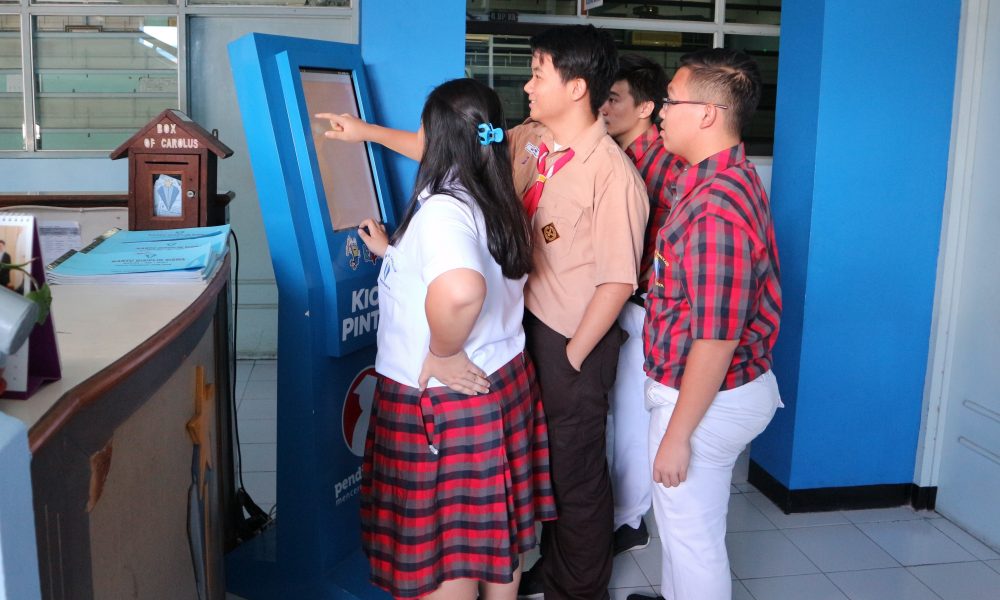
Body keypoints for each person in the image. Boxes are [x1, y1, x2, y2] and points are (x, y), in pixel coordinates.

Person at [322, 25, 648, 600]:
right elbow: (457, 144)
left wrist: (570, 358)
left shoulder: (611, 174)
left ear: (576, 88)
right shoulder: (523, 140)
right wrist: (364, 133)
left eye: (538, 74)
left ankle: (579, 588)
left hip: (570, 341)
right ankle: (536, 574)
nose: (527, 84)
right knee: (525, 483)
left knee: (574, 478)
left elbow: (618, 280)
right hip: (517, 339)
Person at [350, 78, 558, 600]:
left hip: (446, 401)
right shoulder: (495, 186)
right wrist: (396, 254)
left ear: (437, 137)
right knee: (494, 544)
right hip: (501, 383)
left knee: (448, 556)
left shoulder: (444, 209)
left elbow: (463, 288)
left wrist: (442, 353)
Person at [632, 48, 783, 600]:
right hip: (710, 391)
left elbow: (716, 341)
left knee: (691, 541)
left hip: (702, 398)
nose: (661, 112)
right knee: (686, 533)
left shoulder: (717, 206)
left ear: (707, 114)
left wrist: (676, 438)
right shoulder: (709, 177)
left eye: (670, 102)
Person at [598, 53, 684, 556]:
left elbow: (670, 247)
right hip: (621, 302)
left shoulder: (666, 166)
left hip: (642, 306)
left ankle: (628, 521)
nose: (605, 107)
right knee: (615, 415)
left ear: (647, 107)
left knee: (631, 419)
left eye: (615, 99)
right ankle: (624, 515)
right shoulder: (619, 154)